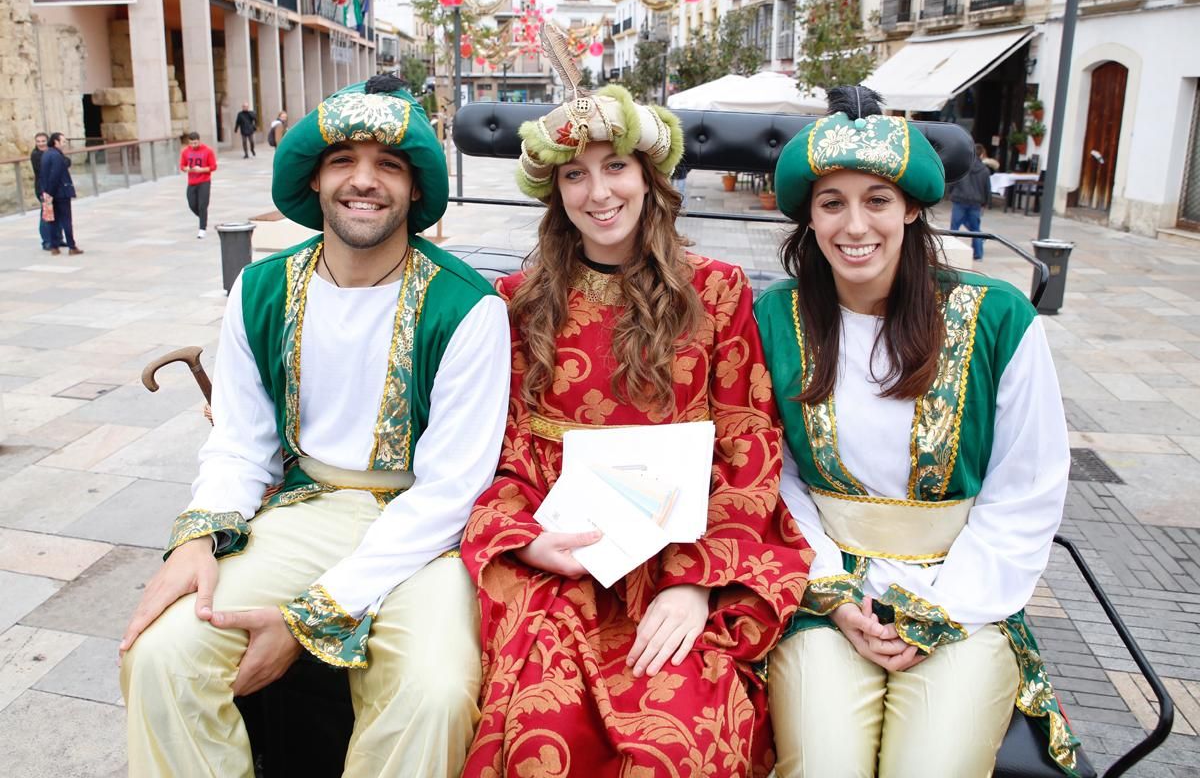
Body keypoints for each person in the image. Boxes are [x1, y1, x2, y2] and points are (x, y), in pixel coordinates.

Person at [118, 75, 511, 777]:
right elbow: (240, 442)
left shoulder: (469, 308)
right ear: (316, 180)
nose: (365, 182)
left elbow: (453, 489)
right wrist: (200, 536)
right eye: (343, 162)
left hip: (427, 532)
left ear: (416, 188)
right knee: (163, 655)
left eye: (388, 165)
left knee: (436, 692)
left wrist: (315, 615)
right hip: (304, 510)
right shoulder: (261, 289)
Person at [461, 78, 811, 777]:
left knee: (680, 743)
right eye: (575, 175)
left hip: (682, 562)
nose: (599, 193)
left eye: (615, 166)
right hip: (565, 565)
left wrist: (696, 583)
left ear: (649, 178)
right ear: (555, 192)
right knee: (539, 731)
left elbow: (749, 442)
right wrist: (530, 546)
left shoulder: (715, 291)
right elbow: (499, 449)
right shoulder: (518, 304)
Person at [755, 86, 1081, 777]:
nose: (855, 225)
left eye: (876, 200)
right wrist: (837, 596)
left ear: (909, 207)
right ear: (809, 219)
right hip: (826, 591)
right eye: (832, 202)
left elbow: (1028, 487)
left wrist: (937, 606)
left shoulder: (997, 318)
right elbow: (772, 478)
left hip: (965, 597)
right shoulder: (774, 319)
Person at [36, 132, 81, 255]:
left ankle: (54, 246)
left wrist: (45, 191)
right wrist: (50, 192)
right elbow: (54, 175)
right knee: (66, 220)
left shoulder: (46, 154)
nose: (65, 144)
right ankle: (72, 246)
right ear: (56, 142)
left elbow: (43, 175)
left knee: (52, 220)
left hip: (49, 192)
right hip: (60, 193)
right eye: (63, 141)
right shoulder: (55, 155)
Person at [949, 142, 995, 260]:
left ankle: (951, 252)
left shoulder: (963, 166)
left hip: (959, 199)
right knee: (976, 230)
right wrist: (986, 203)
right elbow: (987, 188)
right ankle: (978, 254)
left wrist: (951, 193)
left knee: (954, 228)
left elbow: (954, 180)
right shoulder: (985, 170)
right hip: (975, 202)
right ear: (981, 155)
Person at [180, 131, 217, 239]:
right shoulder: (185, 152)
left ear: (199, 141)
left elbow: (213, 167)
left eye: (195, 143)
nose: (193, 145)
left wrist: (201, 169)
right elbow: (182, 166)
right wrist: (188, 168)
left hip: (204, 181)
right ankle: (203, 218)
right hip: (192, 182)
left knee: (202, 205)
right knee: (192, 204)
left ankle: (202, 228)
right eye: (191, 143)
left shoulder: (207, 151)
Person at [29, 132, 54, 251]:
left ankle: (57, 238)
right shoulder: (36, 155)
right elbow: (44, 170)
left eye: (43, 141)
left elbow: (66, 162)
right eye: (38, 141)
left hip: (54, 187)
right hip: (43, 188)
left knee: (57, 213)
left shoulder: (52, 152)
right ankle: (46, 241)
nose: (41, 144)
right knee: (46, 214)